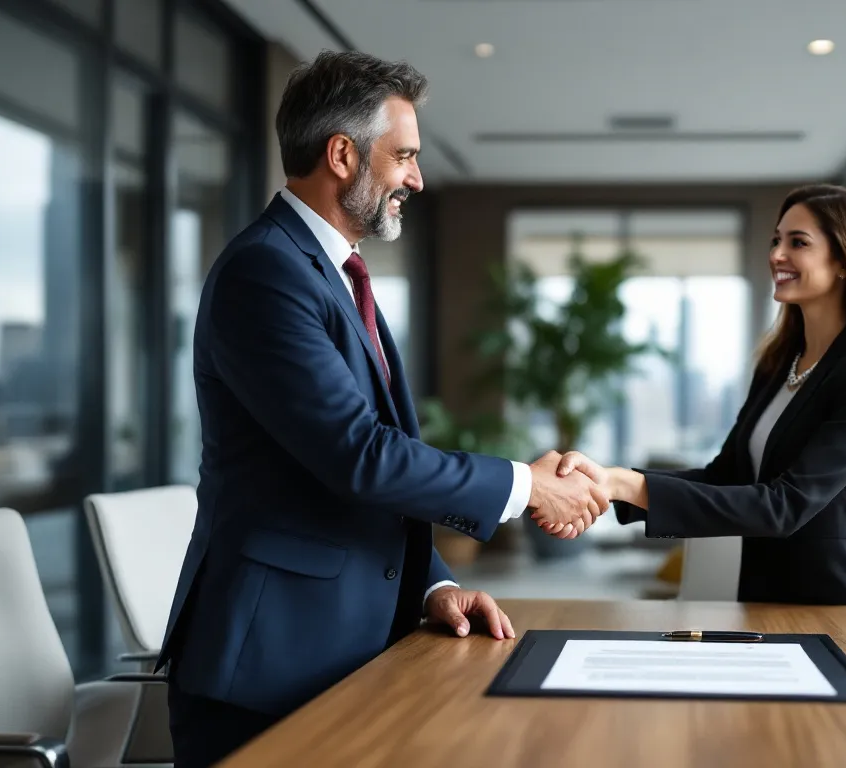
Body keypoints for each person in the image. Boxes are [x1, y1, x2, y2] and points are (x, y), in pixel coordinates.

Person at [157, 51, 607, 767]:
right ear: (342, 155)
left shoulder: (334, 275)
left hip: (345, 651)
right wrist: (528, 487)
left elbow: (369, 474)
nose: (416, 179)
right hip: (268, 667)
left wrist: (435, 585)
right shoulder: (265, 272)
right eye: (404, 156)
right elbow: (359, 456)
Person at [554, 184, 846, 606]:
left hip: (837, 608)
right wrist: (610, 481)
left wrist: (627, 484)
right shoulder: (779, 363)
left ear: (844, 260)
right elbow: (727, 475)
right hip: (762, 602)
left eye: (797, 242)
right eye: (776, 240)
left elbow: (786, 505)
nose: (777, 255)